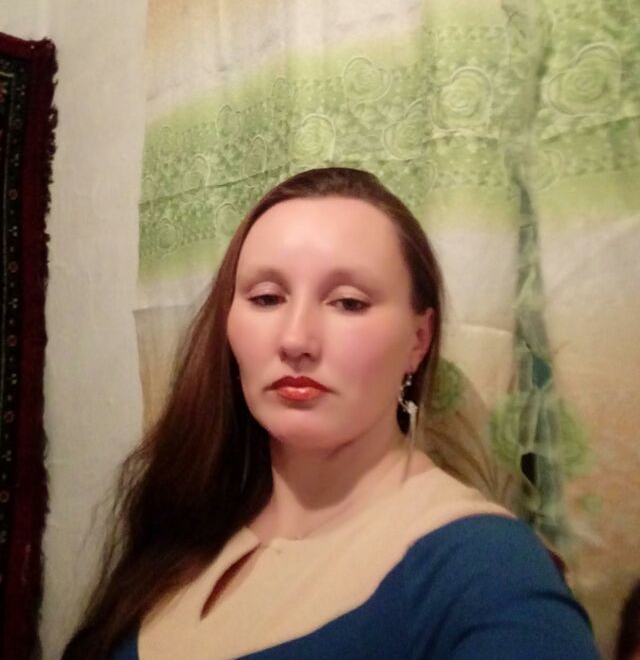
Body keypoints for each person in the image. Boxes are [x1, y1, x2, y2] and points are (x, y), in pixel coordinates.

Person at [62, 167, 601, 660]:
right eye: (267, 298)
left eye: (348, 302)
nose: (296, 339)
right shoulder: (191, 512)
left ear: (418, 340)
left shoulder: (486, 570)